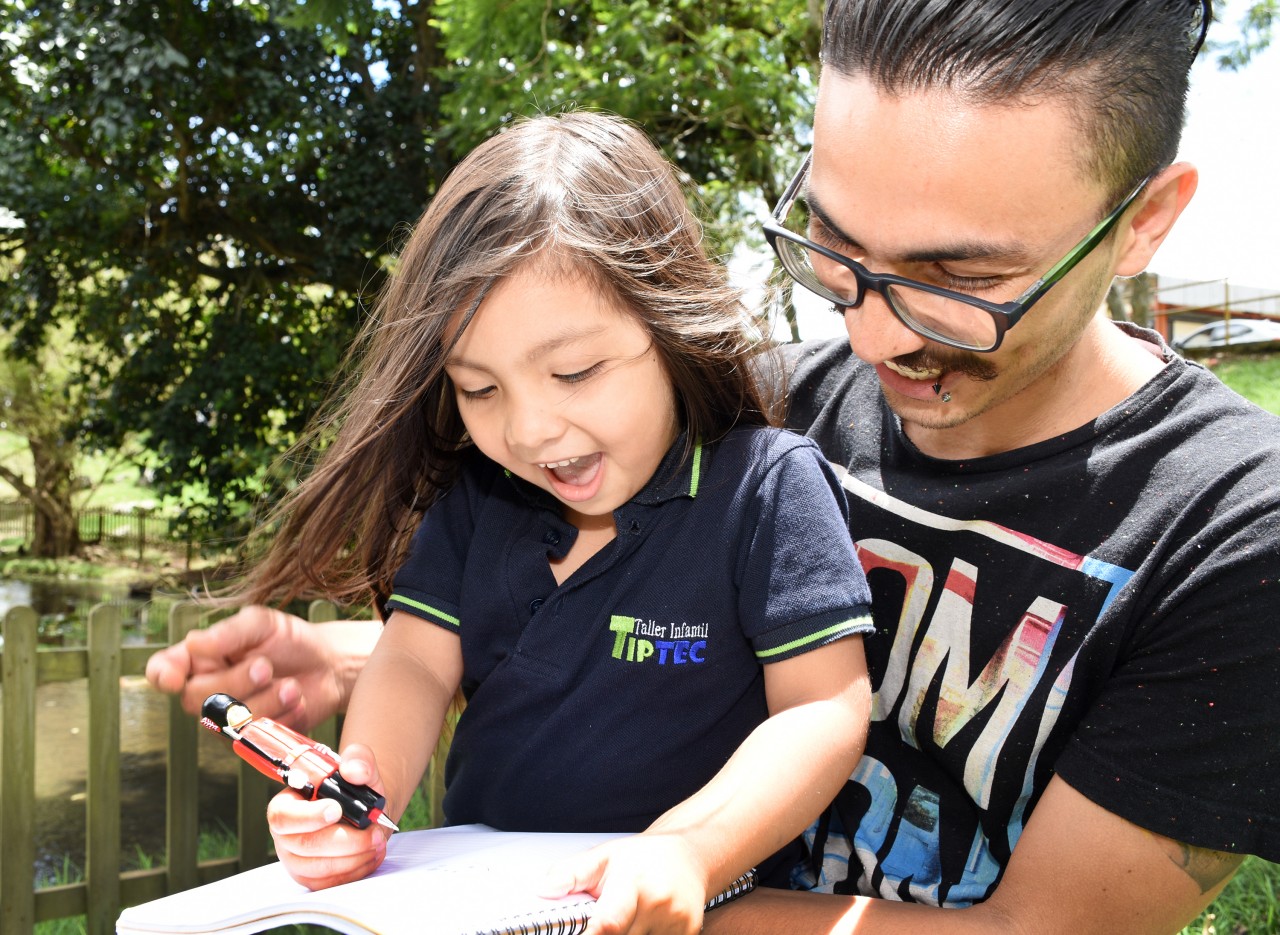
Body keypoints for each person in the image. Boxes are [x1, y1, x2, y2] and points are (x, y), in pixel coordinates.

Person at [149, 1, 1280, 931]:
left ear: (1140, 223)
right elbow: (601, 610)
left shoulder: (1232, 528)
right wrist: (356, 666)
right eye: (833, 245)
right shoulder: (752, 404)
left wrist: (629, 888)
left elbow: (1046, 932)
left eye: (957, 276)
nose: (875, 338)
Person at [172, 111, 874, 935]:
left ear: (667, 320)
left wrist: (688, 847)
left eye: (573, 371)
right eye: (479, 388)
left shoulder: (766, 488)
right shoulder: (475, 500)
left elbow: (822, 708)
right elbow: (414, 665)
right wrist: (362, 792)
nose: (530, 429)